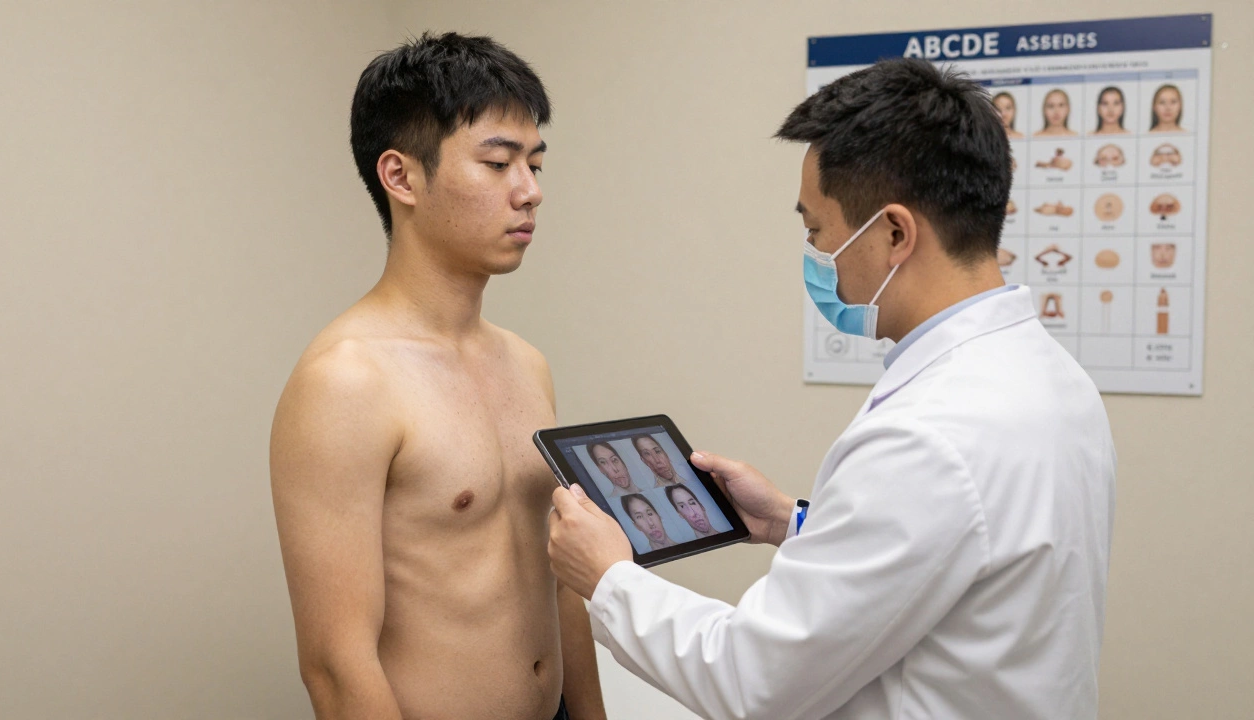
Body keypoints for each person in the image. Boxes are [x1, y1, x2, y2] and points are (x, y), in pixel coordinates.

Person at [548, 57, 1114, 720]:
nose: (816, 255)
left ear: (895, 233)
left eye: (817, 230)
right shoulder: (1049, 377)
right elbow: (960, 554)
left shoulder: (929, 435)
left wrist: (609, 579)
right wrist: (795, 522)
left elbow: (752, 678)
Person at [270, 32, 604, 720]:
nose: (529, 192)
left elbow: (563, 580)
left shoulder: (527, 362)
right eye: (498, 164)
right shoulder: (346, 381)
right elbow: (335, 666)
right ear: (401, 177)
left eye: (535, 165)